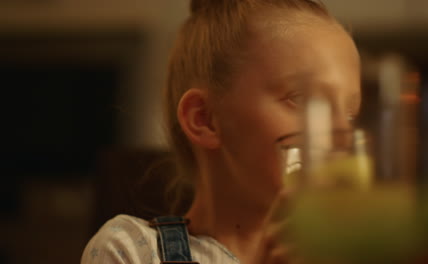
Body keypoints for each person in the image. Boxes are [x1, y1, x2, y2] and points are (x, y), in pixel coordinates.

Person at [81, 0, 361, 263]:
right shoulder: (130, 249)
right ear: (205, 119)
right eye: (302, 99)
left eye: (351, 114)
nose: (343, 134)